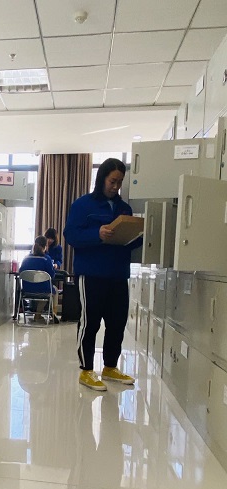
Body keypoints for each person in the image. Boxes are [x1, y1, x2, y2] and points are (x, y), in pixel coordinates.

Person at [63, 158, 142, 391]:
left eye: (119, 182)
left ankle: (110, 367)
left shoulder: (124, 209)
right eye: (112, 181)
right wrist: (97, 234)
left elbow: (128, 242)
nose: (115, 186)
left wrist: (137, 236)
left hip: (118, 274)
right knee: (90, 323)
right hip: (91, 274)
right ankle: (86, 370)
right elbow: (71, 235)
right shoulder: (83, 205)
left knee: (117, 323)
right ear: (102, 179)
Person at [19, 235, 60, 324]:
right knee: (54, 290)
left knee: (40, 288)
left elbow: (20, 272)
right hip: (43, 290)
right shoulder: (46, 259)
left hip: (27, 290)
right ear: (45, 247)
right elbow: (52, 275)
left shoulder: (26, 258)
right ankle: (51, 314)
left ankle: (38, 315)